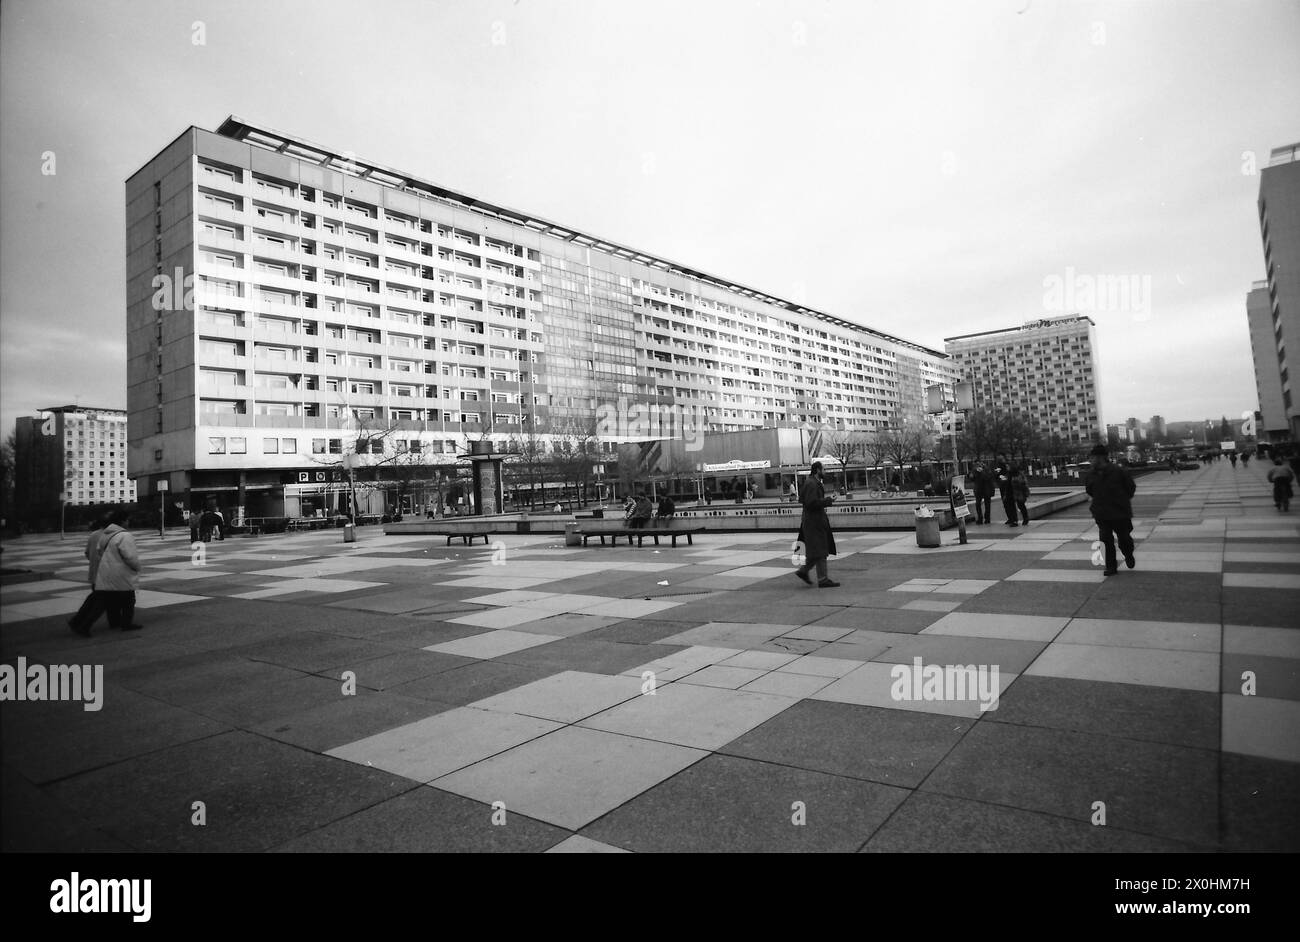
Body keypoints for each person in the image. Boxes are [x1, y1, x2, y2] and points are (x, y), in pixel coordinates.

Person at [1085, 445, 1137, 576]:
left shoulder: (1119, 471)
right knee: (1105, 540)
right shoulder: (1091, 474)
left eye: (1093, 457)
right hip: (1101, 513)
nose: (1091, 460)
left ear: (1101, 457)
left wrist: (1122, 501)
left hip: (1119, 512)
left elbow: (1130, 488)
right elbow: (1089, 490)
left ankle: (1128, 554)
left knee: (1124, 539)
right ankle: (1111, 566)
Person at [92, 508, 143, 631]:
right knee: (129, 600)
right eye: (128, 520)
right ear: (123, 521)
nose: (129, 523)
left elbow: (99, 551)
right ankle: (126, 623)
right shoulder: (124, 535)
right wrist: (137, 567)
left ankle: (114, 622)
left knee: (112, 601)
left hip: (107, 572)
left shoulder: (105, 534)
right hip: (122, 573)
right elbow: (129, 556)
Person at [793, 461, 839, 588]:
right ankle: (823, 579)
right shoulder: (812, 484)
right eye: (823, 469)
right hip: (814, 522)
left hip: (813, 521)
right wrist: (829, 500)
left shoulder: (812, 482)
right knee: (821, 550)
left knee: (816, 551)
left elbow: (803, 500)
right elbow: (811, 503)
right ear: (818, 470)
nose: (825, 472)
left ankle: (803, 572)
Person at [68, 518, 109, 636]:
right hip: (106, 575)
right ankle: (84, 625)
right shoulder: (109, 536)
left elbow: (87, 553)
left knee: (93, 599)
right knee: (100, 603)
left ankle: (76, 621)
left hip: (94, 573)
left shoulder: (94, 534)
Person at [993, 453, 1018, 526]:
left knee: (1011, 503)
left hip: (1009, 486)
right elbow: (996, 474)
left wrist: (1002, 477)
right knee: (1006, 503)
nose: (999, 457)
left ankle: (1014, 519)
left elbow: (1009, 474)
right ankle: (1010, 518)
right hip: (1003, 486)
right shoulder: (998, 466)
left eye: (1000, 456)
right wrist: (1000, 477)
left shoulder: (1007, 465)